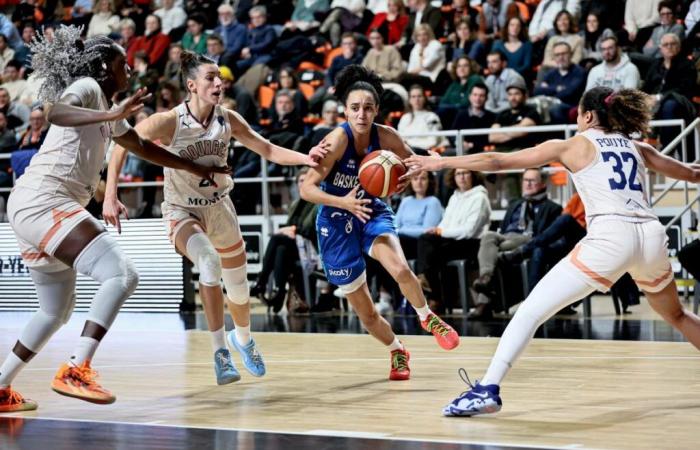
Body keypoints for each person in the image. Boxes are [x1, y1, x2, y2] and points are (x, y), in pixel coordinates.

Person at [404, 86, 700, 416]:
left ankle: (487, 388)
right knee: (676, 314)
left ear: (588, 116)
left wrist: (440, 161)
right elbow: (693, 173)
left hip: (611, 236)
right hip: (651, 234)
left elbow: (496, 160)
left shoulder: (573, 145)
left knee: (530, 311)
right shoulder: (637, 146)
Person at [0, 27, 225, 413]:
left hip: (33, 205)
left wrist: (190, 165)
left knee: (55, 311)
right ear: (105, 66)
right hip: (45, 199)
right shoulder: (88, 87)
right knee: (121, 273)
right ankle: (76, 368)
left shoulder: (107, 107)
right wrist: (112, 113)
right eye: (124, 63)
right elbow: (54, 111)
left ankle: (1, 388)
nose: (131, 70)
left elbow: (138, 145)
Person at [104, 50, 327, 386]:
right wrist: (110, 194)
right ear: (191, 85)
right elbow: (122, 144)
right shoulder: (170, 120)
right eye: (210, 77)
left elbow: (267, 149)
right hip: (182, 209)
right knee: (208, 263)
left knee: (238, 289)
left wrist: (305, 158)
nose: (218, 83)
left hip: (220, 207)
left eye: (219, 77)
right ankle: (220, 352)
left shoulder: (229, 119)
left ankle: (244, 339)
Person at [300, 65, 460, 381]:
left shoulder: (386, 136)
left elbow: (413, 164)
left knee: (400, 269)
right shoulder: (336, 141)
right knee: (368, 314)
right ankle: (397, 351)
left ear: (377, 110)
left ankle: (427, 317)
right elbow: (306, 188)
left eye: (368, 108)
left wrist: (405, 176)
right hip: (335, 220)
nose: (362, 114)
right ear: (345, 110)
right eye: (355, 108)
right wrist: (343, 201)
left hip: (370, 210)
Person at [415, 168, 491, 313]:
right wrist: (437, 230)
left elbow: (469, 231)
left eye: (465, 173)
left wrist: (441, 232)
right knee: (426, 240)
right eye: (458, 174)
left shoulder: (480, 197)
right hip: (452, 240)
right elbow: (446, 223)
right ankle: (433, 291)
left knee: (431, 249)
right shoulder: (454, 197)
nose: (462, 177)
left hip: (472, 244)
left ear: (473, 175)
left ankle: (433, 293)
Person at [250, 168, 318, 313]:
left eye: (306, 180)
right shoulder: (295, 204)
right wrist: (290, 229)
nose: (302, 183)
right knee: (281, 249)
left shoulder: (317, 202)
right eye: (300, 181)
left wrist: (292, 229)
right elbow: (290, 228)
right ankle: (280, 291)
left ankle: (262, 282)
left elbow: (308, 229)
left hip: (309, 247)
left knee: (276, 238)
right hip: (293, 246)